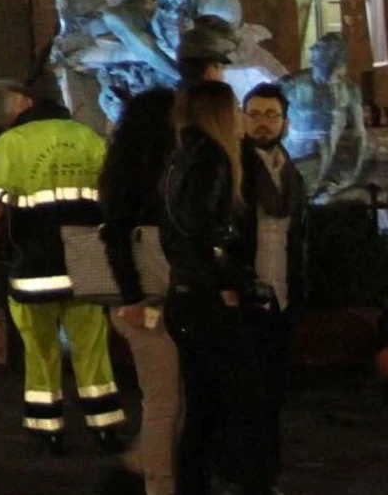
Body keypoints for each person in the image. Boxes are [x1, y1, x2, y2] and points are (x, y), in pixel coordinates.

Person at [0, 77, 125, 450]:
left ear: (25, 102)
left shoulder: (13, 142)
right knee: (92, 347)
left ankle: (47, 430)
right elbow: (112, 192)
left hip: (33, 262)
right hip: (86, 257)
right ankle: (104, 427)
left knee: (40, 350)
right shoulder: (88, 138)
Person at [161, 81, 274, 495]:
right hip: (205, 297)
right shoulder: (212, 159)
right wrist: (229, 280)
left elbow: (182, 230)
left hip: (187, 292)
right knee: (244, 400)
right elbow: (201, 230)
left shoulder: (182, 158)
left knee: (204, 404)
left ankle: (195, 485)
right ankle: (251, 483)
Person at [101, 88, 178, 495]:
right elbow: (114, 233)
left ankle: (142, 469)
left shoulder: (128, 165)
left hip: (145, 295)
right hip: (145, 299)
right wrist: (131, 298)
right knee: (164, 402)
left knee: (168, 401)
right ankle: (155, 482)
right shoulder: (144, 171)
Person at [240, 82, 309, 475]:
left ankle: (266, 470)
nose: (263, 124)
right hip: (248, 290)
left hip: (282, 290)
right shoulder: (232, 166)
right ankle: (247, 470)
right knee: (246, 390)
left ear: (285, 122)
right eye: (255, 115)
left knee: (273, 390)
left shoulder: (289, 169)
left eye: (271, 116)